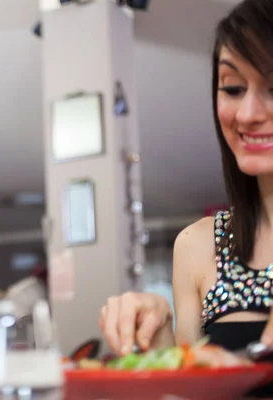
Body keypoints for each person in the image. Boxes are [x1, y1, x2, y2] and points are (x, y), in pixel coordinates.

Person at [100, 0, 273, 367]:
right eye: (234, 87)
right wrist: (157, 333)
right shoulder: (198, 245)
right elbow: (190, 386)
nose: (247, 113)